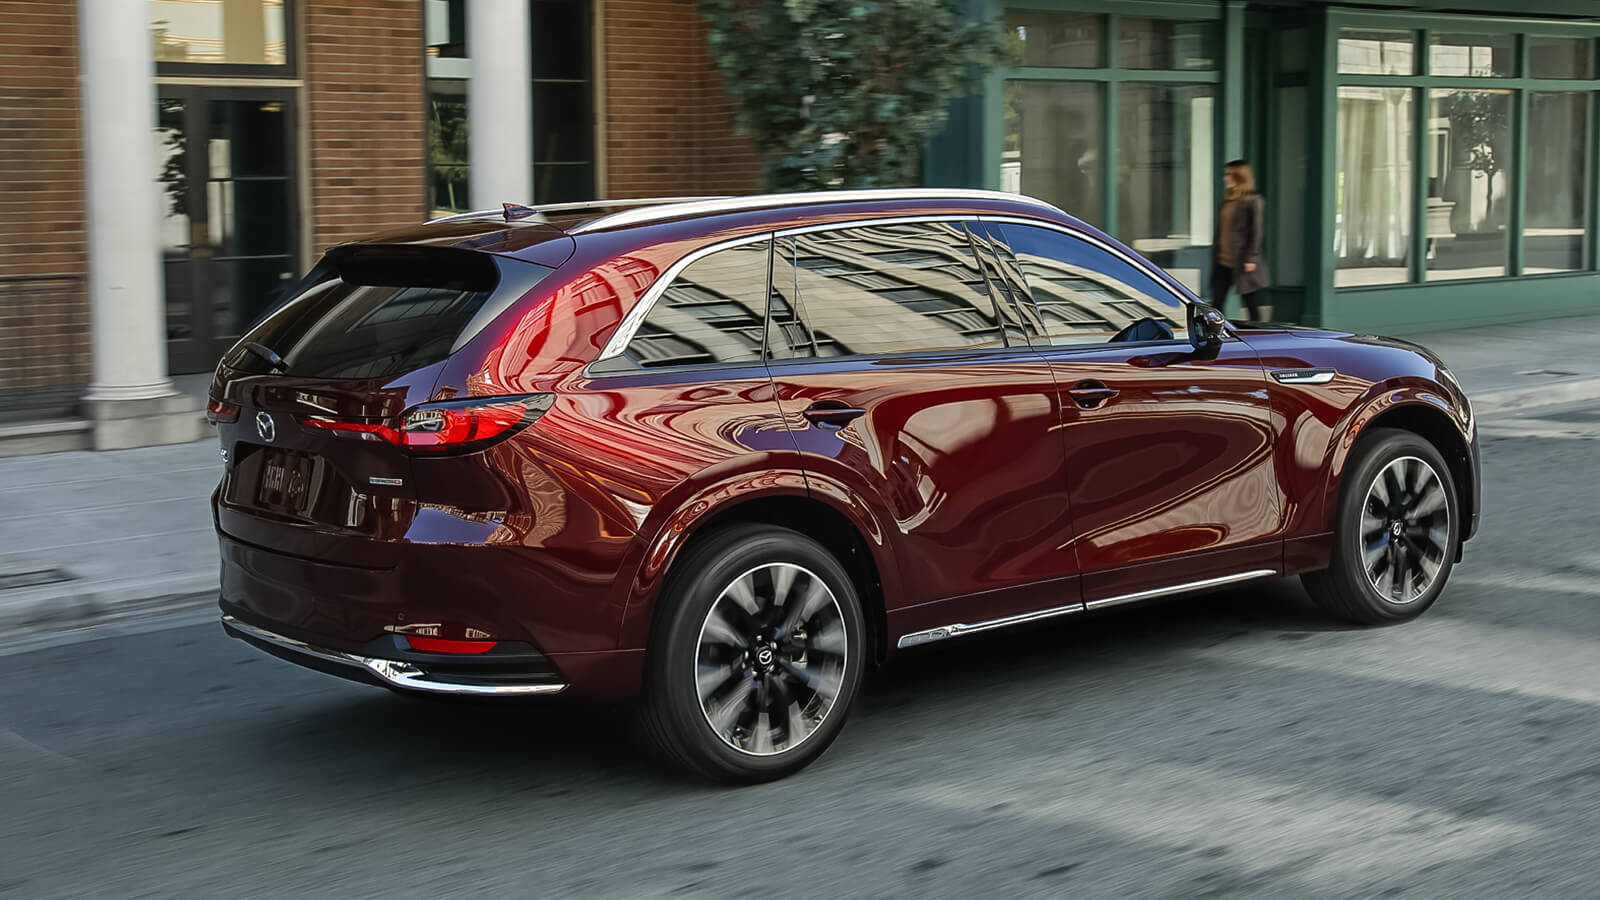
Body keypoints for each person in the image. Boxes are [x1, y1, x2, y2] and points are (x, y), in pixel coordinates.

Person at [1210, 159, 1269, 321]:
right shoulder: (1226, 200)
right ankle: (1214, 336)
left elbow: (1256, 232)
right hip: (1222, 261)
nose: (1225, 178)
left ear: (1239, 176)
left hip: (1242, 261)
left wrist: (1251, 258)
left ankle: (1259, 336)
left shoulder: (1252, 200)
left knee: (1250, 303)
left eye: (1229, 174)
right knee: (1217, 303)